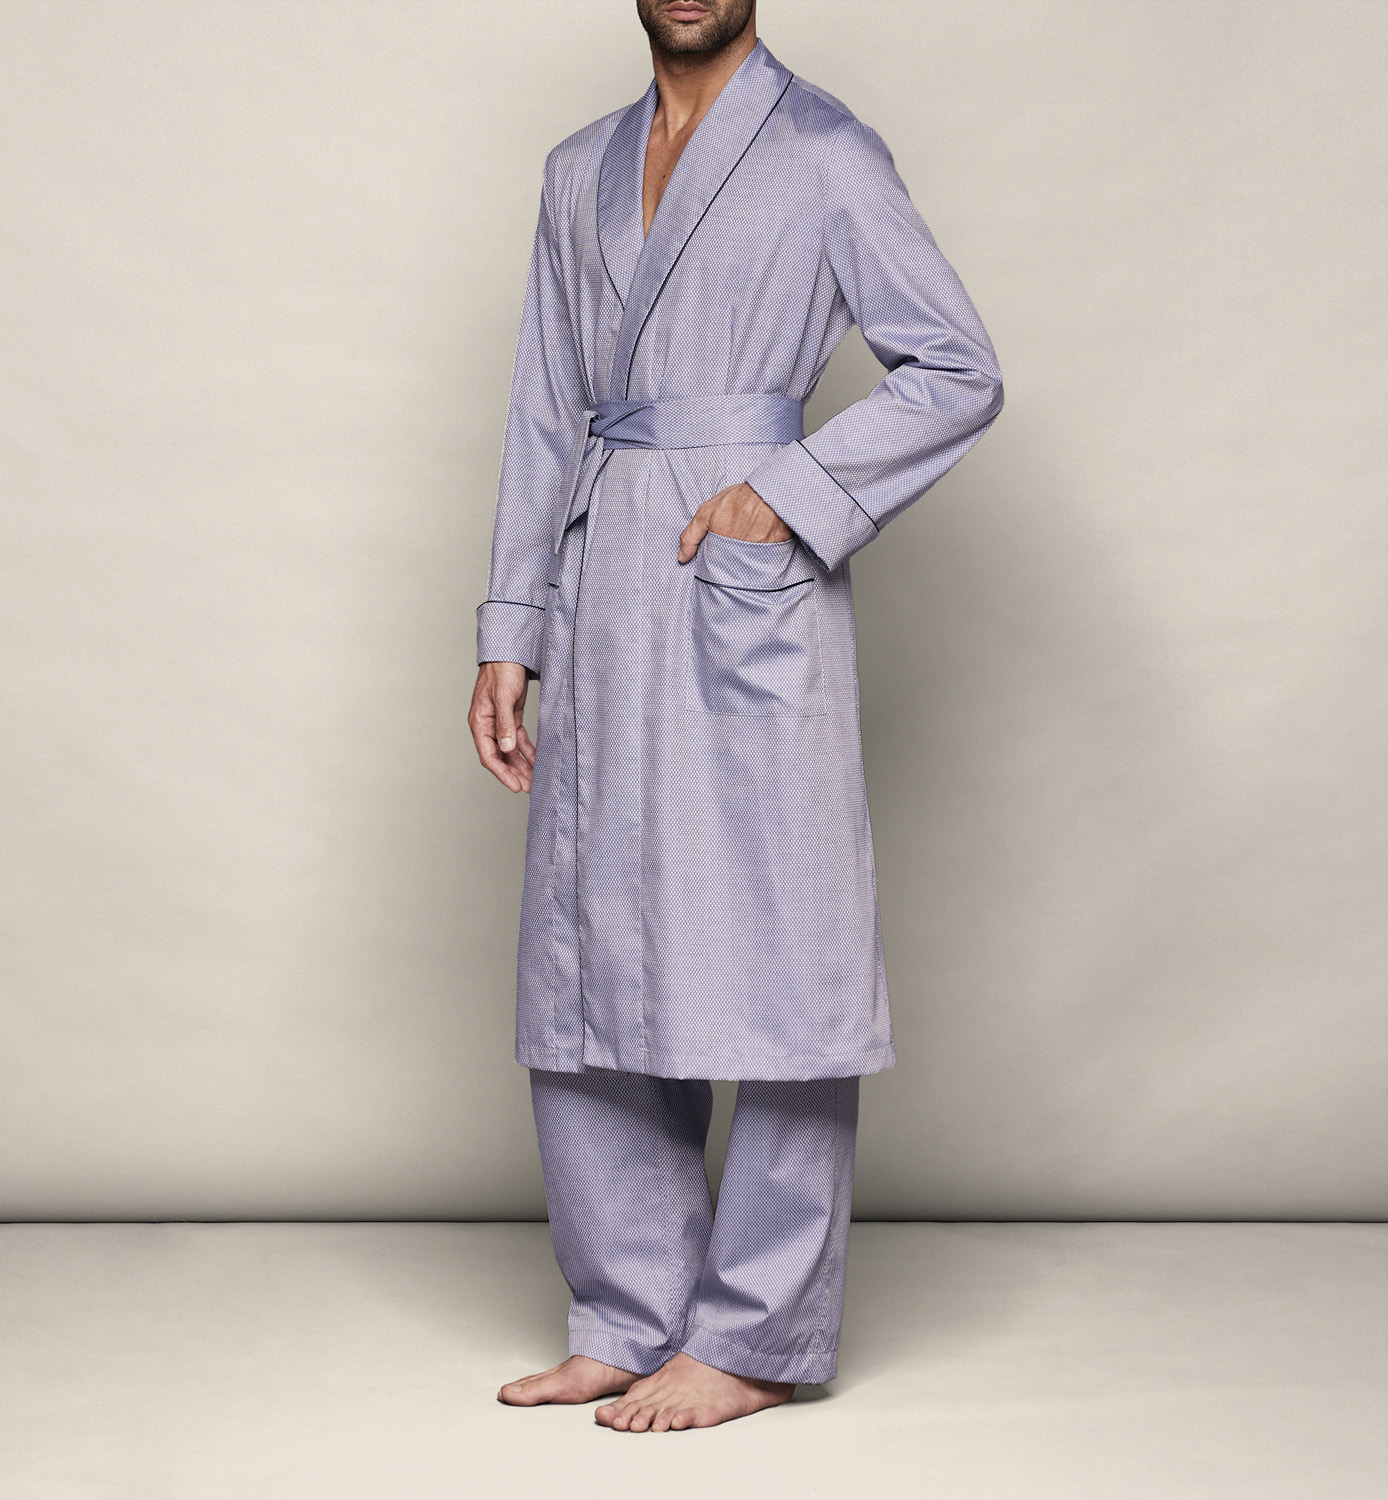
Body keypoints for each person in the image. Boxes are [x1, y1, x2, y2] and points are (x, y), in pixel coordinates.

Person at [468, 0, 1003, 1432]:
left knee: (780, 940)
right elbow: (545, 409)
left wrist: (792, 494)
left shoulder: (824, 150)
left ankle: (759, 1335)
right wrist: (512, 626)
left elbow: (957, 366)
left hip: (742, 568)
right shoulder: (577, 168)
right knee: (590, 939)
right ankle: (629, 1311)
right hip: (602, 573)